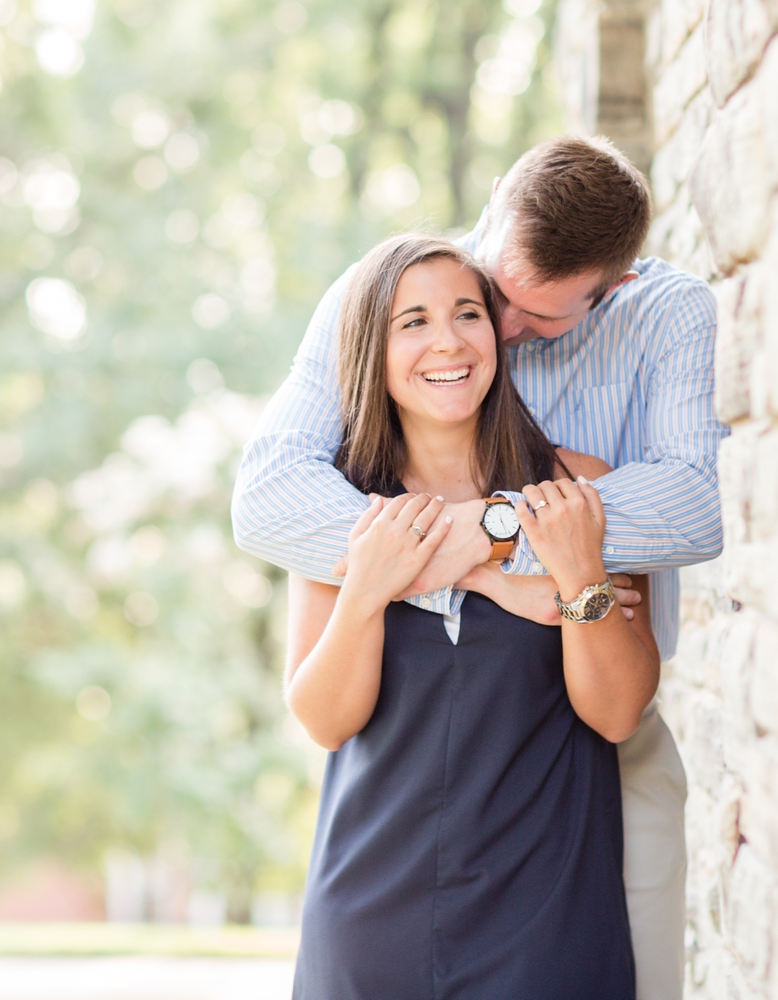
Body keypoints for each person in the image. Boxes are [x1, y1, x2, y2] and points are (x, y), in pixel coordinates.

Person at [233, 136, 723, 999]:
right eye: (427, 318)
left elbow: (686, 513)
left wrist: (543, 554)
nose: (490, 329)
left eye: (526, 317)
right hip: (380, 867)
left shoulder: (598, 466)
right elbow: (317, 694)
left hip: (566, 817)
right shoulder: (347, 500)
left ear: (614, 288)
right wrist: (484, 564)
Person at [287, 234, 657, 997]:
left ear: (498, 333)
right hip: (368, 921)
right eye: (412, 322)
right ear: (371, 352)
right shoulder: (337, 508)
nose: (448, 341)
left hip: (547, 923)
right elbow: (326, 721)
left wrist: (576, 573)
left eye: (467, 314)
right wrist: (368, 589)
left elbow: (619, 712)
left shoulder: (581, 490)